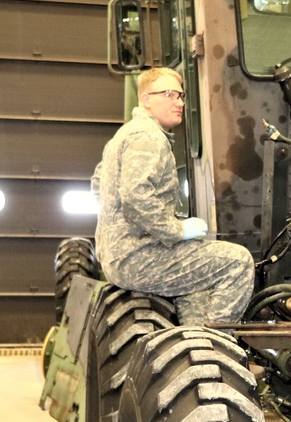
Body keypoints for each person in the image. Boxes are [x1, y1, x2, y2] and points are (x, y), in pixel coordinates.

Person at [91, 67, 254, 325]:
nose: (178, 103)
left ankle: (193, 340)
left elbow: (99, 184)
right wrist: (175, 230)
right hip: (138, 259)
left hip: (118, 256)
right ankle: (213, 346)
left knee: (197, 270)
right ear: (146, 99)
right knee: (238, 262)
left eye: (180, 96)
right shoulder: (148, 137)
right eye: (168, 95)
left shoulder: (125, 134)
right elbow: (135, 197)